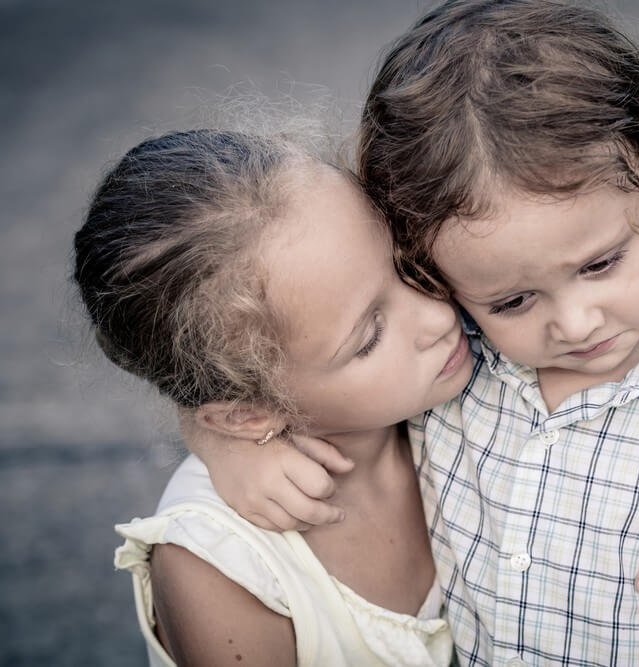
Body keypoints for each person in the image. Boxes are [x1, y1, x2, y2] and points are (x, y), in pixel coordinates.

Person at [193, 1, 639, 664]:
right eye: (515, 299)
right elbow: (279, 376)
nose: (576, 323)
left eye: (601, 263)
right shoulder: (455, 355)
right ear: (434, 271)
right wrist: (220, 443)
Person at [74, 128, 471, 665]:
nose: (441, 315)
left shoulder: (455, 380)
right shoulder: (223, 569)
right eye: (370, 337)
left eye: (406, 262)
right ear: (246, 413)